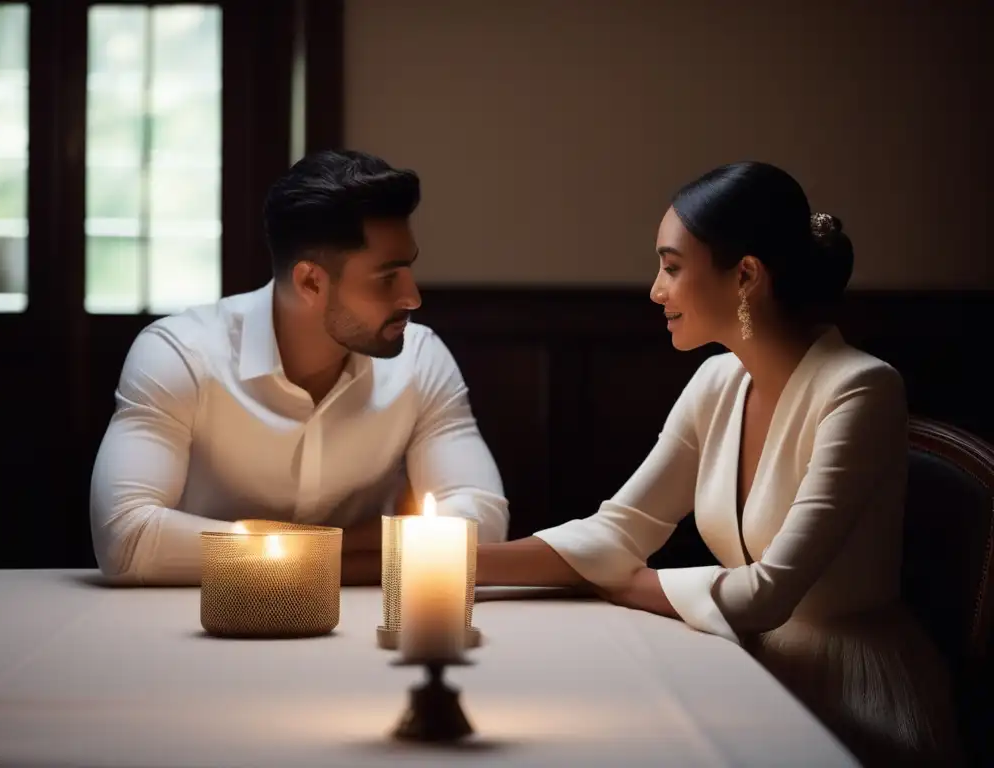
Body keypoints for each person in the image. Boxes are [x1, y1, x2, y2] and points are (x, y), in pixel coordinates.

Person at [476, 162, 960, 764]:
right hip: (745, 661)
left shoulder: (860, 389)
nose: (656, 290)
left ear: (746, 276)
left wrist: (626, 582)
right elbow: (619, 529)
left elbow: (768, 594)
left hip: (850, 692)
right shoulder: (717, 380)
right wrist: (453, 562)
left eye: (672, 267)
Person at [91, 149, 509, 586]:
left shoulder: (421, 358)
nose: (413, 297)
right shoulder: (180, 354)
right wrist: (359, 546)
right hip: (200, 626)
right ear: (311, 281)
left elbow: (484, 525)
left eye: (409, 270)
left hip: (366, 628)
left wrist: (273, 550)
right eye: (387, 278)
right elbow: (127, 539)